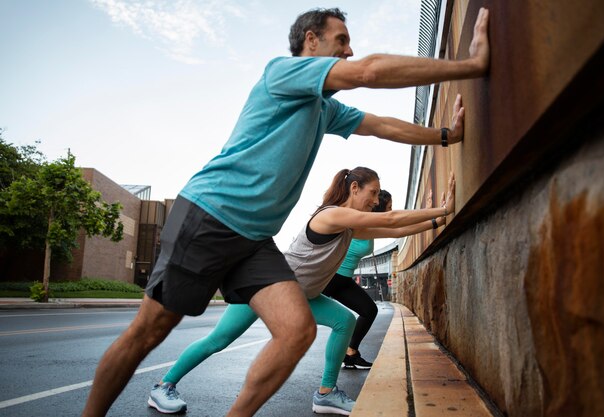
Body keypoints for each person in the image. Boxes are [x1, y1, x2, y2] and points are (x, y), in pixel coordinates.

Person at [81, 7, 489, 417]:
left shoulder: (325, 109)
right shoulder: (283, 73)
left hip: (254, 241)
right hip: (209, 216)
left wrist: (445, 136)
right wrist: (470, 65)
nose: (349, 51)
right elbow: (368, 72)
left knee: (297, 331)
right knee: (149, 332)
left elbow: (381, 124)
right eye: (341, 41)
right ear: (311, 40)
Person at [146, 167, 455, 416]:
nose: (376, 200)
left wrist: (439, 218)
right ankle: (163, 386)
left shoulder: (350, 225)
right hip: (269, 287)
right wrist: (440, 207)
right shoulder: (331, 215)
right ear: (354, 188)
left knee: (344, 321)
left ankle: (326, 394)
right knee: (219, 339)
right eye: (373, 193)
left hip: (300, 295)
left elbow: (395, 229)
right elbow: (388, 218)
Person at [322, 189, 392, 370]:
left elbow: (399, 225)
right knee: (341, 322)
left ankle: (351, 352)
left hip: (342, 280)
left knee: (369, 310)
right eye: (389, 207)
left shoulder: (371, 226)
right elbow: (396, 224)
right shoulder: (357, 222)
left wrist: (432, 219)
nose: (392, 210)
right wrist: (436, 216)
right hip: (329, 278)